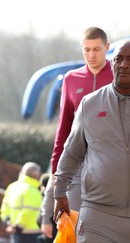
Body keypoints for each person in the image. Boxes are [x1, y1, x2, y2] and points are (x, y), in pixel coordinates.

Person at [53, 40, 130, 243]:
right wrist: (59, 191)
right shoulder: (90, 104)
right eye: (118, 59)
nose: (124, 64)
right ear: (112, 64)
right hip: (98, 215)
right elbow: (71, 152)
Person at [50, 26, 112, 211]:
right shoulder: (71, 79)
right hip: (77, 162)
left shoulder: (119, 75)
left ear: (107, 47)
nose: (91, 55)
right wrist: (56, 169)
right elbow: (64, 125)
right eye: (87, 49)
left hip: (111, 163)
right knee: (75, 221)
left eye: (96, 49)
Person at [0, 162, 44, 243]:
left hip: (13, 229)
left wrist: (7, 222)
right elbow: (28, 211)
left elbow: (4, 207)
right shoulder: (33, 190)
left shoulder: (12, 187)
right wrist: (18, 227)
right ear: (35, 176)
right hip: (27, 231)